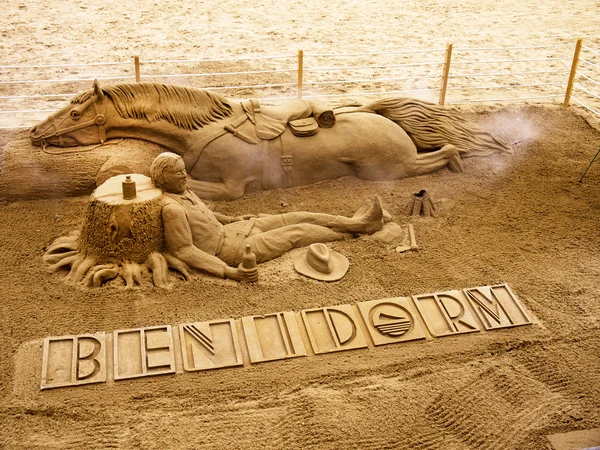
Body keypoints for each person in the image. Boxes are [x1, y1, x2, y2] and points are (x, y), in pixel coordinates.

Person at [150, 152, 385, 282]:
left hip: (237, 229)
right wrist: (229, 272)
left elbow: (205, 216)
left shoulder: (183, 190)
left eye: (183, 170)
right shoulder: (171, 209)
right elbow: (185, 250)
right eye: (178, 172)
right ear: (164, 178)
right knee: (298, 232)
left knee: (296, 216)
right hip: (233, 249)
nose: (184, 175)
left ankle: (355, 223)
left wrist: (231, 220)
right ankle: (354, 231)